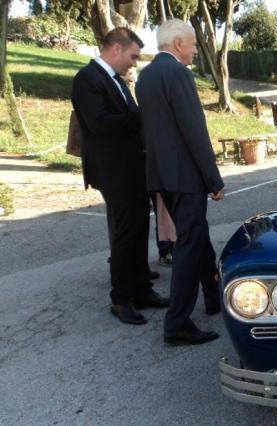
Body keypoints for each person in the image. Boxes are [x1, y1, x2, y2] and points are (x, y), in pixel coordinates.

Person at [71, 28, 169, 326]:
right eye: (133, 56)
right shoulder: (88, 79)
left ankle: (141, 289)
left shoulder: (115, 80)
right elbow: (99, 124)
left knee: (139, 229)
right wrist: (143, 115)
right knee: (125, 234)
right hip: (114, 172)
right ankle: (120, 297)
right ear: (116, 48)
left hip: (132, 168)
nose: (134, 63)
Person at [136, 19, 224, 346]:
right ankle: (177, 322)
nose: (194, 50)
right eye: (192, 44)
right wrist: (213, 179)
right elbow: (194, 132)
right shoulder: (177, 74)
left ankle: (213, 294)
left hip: (162, 175)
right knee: (189, 243)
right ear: (176, 44)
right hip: (186, 176)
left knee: (194, 233)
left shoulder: (145, 76)